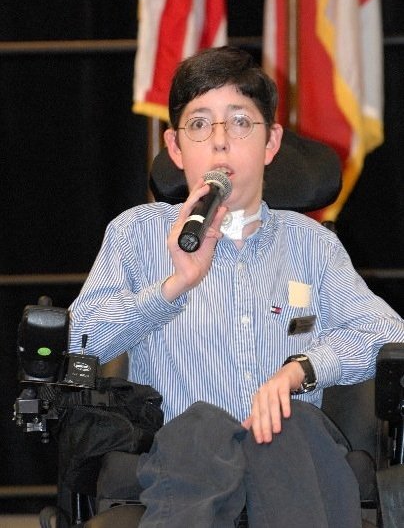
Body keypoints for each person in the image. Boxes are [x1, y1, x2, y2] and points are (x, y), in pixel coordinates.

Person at [69, 46, 404, 527]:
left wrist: (301, 370)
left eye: (241, 123)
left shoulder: (312, 245)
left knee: (291, 424)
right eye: (201, 124)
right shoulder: (137, 233)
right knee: (202, 429)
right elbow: (78, 341)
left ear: (271, 143)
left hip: (292, 460)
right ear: (176, 148)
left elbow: (386, 333)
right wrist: (172, 286)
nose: (221, 142)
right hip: (186, 462)